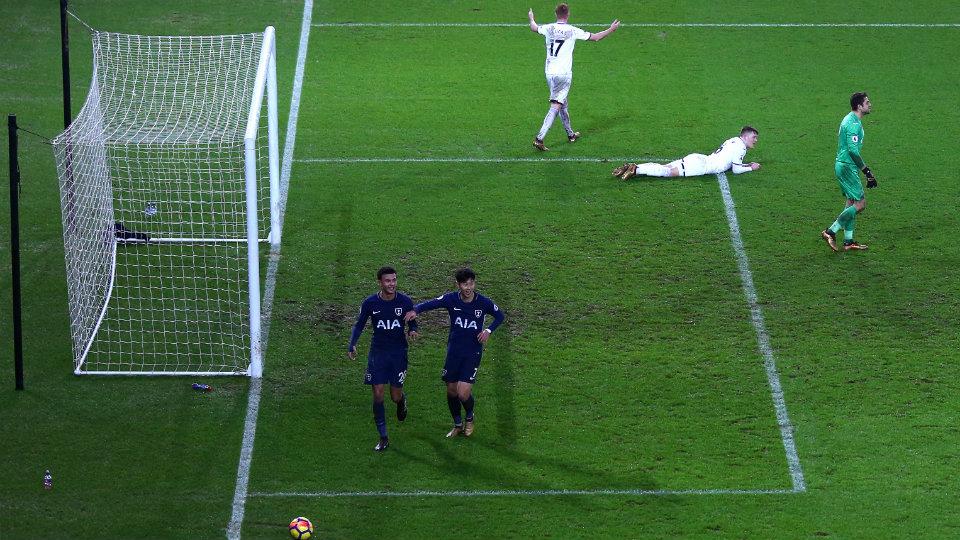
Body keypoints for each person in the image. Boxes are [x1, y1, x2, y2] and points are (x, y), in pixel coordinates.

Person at [404, 268, 505, 438]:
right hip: (454, 351)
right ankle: (458, 424)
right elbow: (432, 303)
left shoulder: (483, 302)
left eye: (471, 283)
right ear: (458, 284)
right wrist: (416, 310)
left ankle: (470, 418)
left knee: (463, 393)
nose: (469, 287)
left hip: (472, 352)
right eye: (465, 284)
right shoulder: (451, 299)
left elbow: (500, 316)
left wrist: (488, 330)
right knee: (451, 391)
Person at [529, 4, 620, 151]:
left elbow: (534, 27)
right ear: (568, 14)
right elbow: (595, 38)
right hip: (563, 74)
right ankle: (539, 138)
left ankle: (570, 134)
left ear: (555, 14)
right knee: (556, 105)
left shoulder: (548, 28)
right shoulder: (572, 31)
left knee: (562, 103)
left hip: (549, 73)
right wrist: (611, 29)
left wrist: (531, 18)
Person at [347, 266, 419, 452]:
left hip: (398, 353)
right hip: (377, 353)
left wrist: (413, 330)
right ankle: (383, 436)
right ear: (380, 282)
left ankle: (401, 401)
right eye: (388, 281)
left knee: (394, 395)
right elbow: (359, 324)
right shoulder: (370, 303)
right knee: (378, 393)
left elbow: (412, 320)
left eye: (394, 280)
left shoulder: (405, 301)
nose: (392, 284)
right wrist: (352, 343)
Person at [821, 92, 876, 252]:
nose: (870, 104)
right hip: (847, 166)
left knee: (851, 203)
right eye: (867, 102)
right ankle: (830, 231)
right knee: (861, 203)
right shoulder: (853, 124)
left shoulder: (849, 119)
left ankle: (848, 241)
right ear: (859, 106)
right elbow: (853, 150)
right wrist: (866, 171)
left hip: (843, 164)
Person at [613, 126, 762, 180]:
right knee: (667, 172)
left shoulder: (733, 140)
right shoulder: (741, 147)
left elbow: (732, 163)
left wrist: (747, 164)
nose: (755, 140)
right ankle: (636, 169)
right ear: (745, 136)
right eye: (754, 137)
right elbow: (736, 170)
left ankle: (633, 168)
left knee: (664, 167)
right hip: (700, 166)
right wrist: (751, 167)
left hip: (698, 158)